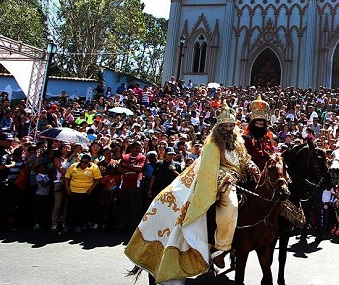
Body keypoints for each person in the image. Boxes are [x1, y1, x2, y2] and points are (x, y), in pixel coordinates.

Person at [125, 103, 260, 283]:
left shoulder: (238, 142)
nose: (228, 129)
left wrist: (250, 165)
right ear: (218, 127)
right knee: (231, 205)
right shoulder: (213, 144)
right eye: (225, 126)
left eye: (231, 125)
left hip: (239, 178)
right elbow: (208, 168)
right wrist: (226, 177)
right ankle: (221, 249)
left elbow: (245, 159)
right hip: (220, 180)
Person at [64, 153, 102, 233]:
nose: (83, 164)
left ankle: (80, 225)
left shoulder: (94, 167)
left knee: (83, 210)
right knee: (71, 210)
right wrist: (67, 188)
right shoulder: (73, 166)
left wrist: (91, 189)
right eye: (82, 162)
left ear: (89, 162)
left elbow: (98, 179)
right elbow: (67, 177)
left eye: (85, 162)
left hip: (86, 192)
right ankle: (69, 225)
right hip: (73, 192)